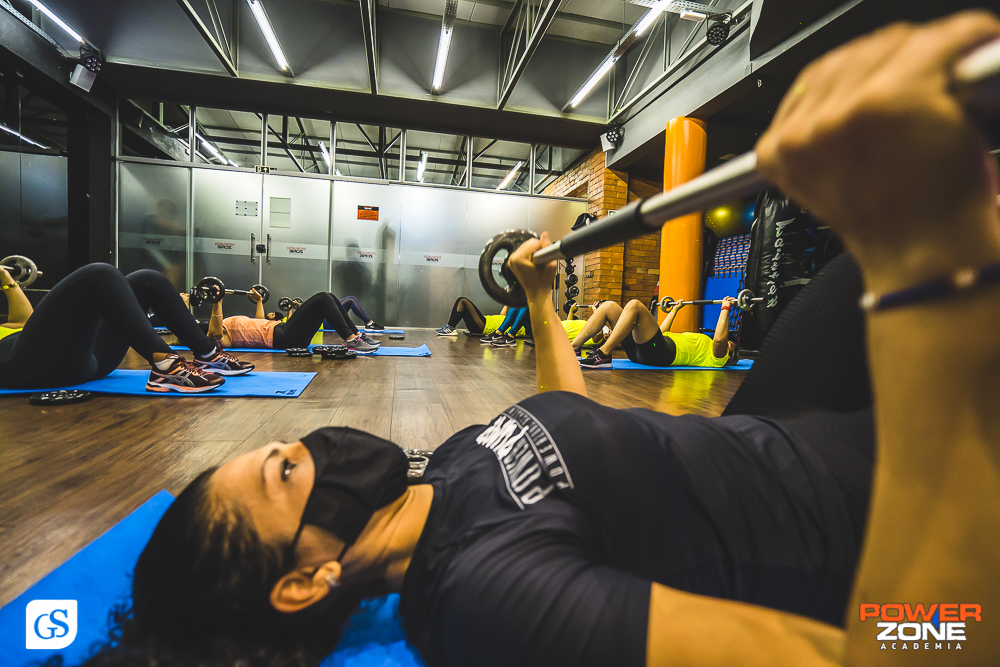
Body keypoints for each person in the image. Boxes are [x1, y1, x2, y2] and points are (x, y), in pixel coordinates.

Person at [82, 11, 1000, 667]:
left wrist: (543, 293)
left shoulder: (435, 479)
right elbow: (908, 645)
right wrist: (923, 275)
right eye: (287, 472)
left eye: (283, 447)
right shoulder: (486, 601)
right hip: (860, 508)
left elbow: (559, 417)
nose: (312, 448)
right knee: (943, 260)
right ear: (304, 581)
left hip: (774, 427)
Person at [0, 264, 252, 393]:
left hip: (91, 360)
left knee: (148, 279)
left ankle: (207, 354)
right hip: (28, 366)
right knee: (99, 273)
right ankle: (166, 366)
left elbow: (23, 319)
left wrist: (7, 279)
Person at [573, 295, 740, 369]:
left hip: (660, 355)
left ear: (729, 356)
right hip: (647, 350)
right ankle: (573, 348)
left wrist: (725, 308)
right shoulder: (703, 342)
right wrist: (674, 310)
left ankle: (604, 353)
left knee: (635, 305)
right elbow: (660, 332)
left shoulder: (717, 357)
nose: (726, 343)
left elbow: (719, 339)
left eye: (729, 345)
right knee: (608, 306)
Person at [195, 290, 381, 352]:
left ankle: (356, 336)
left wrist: (259, 301)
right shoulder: (219, 336)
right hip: (283, 337)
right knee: (323, 298)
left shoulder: (229, 324)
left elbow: (258, 320)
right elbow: (214, 332)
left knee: (329, 297)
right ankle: (351, 339)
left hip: (283, 330)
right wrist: (216, 302)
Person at [436, 297, 600, 347]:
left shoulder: (597, 332)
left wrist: (598, 315)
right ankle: (503, 333)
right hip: (549, 327)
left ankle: (509, 335)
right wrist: (571, 312)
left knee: (528, 301)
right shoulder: (587, 323)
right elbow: (567, 323)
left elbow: (598, 337)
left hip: (548, 335)